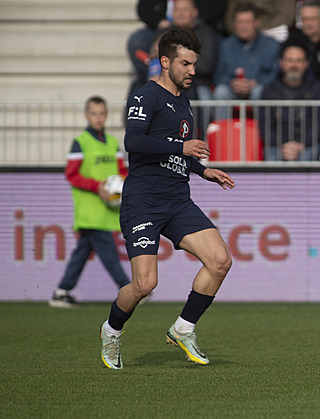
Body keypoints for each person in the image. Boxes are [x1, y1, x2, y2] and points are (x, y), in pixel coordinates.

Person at [100, 28, 236, 369]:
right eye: (185, 63)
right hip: (143, 200)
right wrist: (181, 147)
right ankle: (112, 331)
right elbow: (134, 141)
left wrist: (203, 171)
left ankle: (183, 328)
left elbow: (180, 155)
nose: (192, 70)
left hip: (178, 200)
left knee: (220, 260)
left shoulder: (184, 103)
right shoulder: (146, 96)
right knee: (145, 284)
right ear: (165, 61)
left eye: (194, 64)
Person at [49, 96, 130, 308]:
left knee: (83, 252)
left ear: (106, 115)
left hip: (107, 209)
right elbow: (71, 174)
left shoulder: (112, 143)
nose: (98, 118)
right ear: (87, 115)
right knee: (108, 250)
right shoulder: (80, 142)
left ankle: (62, 291)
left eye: (102, 113)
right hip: (89, 210)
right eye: (94, 114)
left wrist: (122, 184)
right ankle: (128, 288)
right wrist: (98, 187)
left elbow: (122, 171)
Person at [259, 41, 320, 161]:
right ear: (281, 63)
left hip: (309, 145)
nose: (294, 65)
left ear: (306, 64)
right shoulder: (269, 90)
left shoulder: (316, 88)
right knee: (271, 158)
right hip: (278, 146)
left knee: (307, 158)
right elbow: (265, 126)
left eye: (298, 60)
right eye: (290, 60)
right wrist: (284, 145)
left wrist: (301, 145)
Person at [213, 1, 281, 119]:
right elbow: (218, 76)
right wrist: (232, 83)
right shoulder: (226, 45)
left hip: (258, 89)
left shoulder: (271, 45)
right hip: (233, 91)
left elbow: (276, 75)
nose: (243, 26)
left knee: (259, 91)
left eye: (247, 22)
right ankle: (222, 134)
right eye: (240, 22)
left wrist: (255, 83)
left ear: (256, 23)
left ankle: (262, 133)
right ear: (234, 24)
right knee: (221, 91)